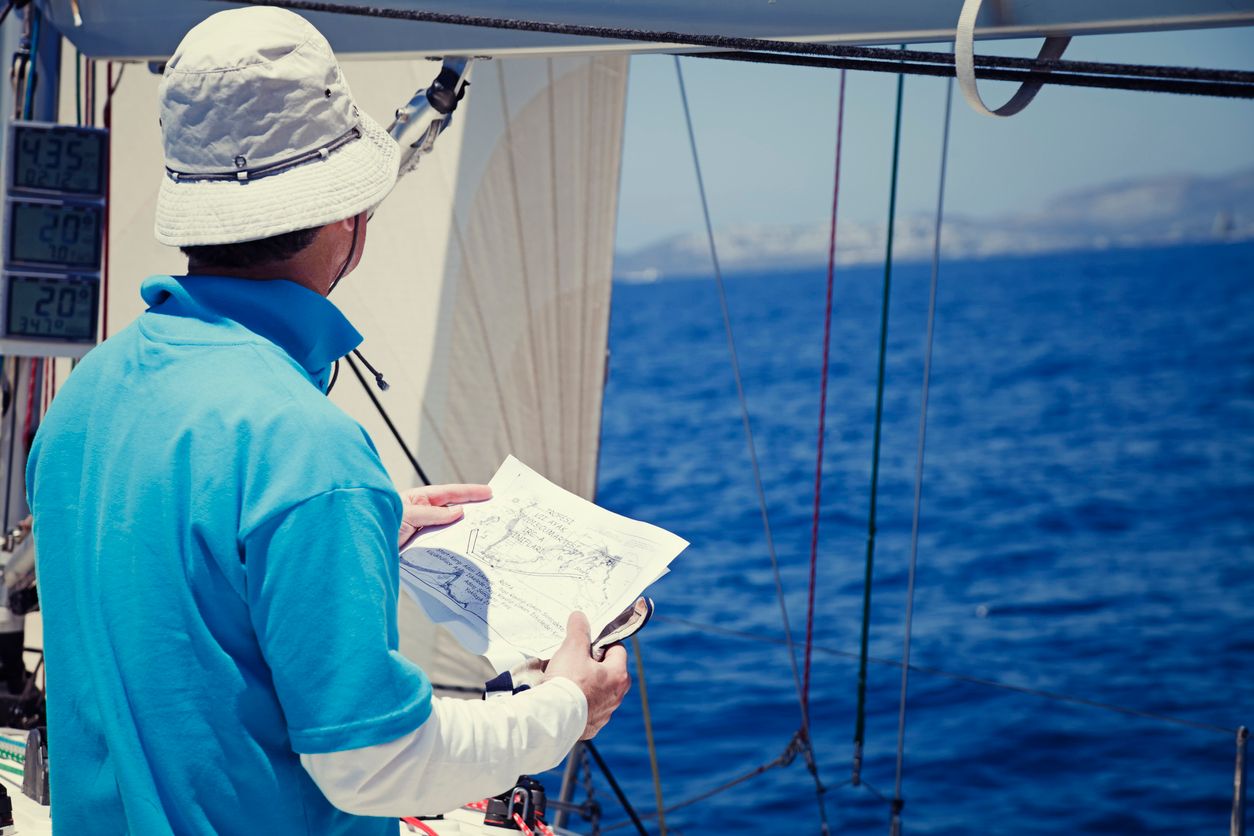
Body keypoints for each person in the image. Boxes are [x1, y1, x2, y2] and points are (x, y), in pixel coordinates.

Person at [25, 7, 629, 835]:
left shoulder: (85, 396)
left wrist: (361, 528)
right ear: (349, 217)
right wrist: (563, 706)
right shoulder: (305, 449)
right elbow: (374, 762)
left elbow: (175, 590)